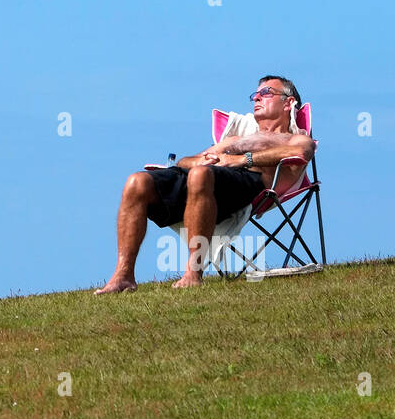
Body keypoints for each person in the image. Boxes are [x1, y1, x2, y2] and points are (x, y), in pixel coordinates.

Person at [94, 75, 315, 293]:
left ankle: (193, 273)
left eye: (266, 93)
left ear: (288, 103)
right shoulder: (235, 139)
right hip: (205, 177)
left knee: (200, 175)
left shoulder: (295, 138)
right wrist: (200, 160)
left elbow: (301, 151)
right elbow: (185, 161)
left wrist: (241, 159)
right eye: (255, 94)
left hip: (249, 184)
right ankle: (123, 276)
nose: (257, 98)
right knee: (137, 182)